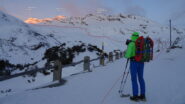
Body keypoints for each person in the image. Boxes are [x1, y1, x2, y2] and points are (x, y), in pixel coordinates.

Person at [124, 32, 146, 101]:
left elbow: (127, 55)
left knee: (134, 79)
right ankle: (143, 95)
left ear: (132, 36)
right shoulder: (142, 43)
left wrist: (127, 52)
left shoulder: (131, 44)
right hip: (141, 62)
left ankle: (135, 96)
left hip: (134, 62)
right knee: (141, 78)